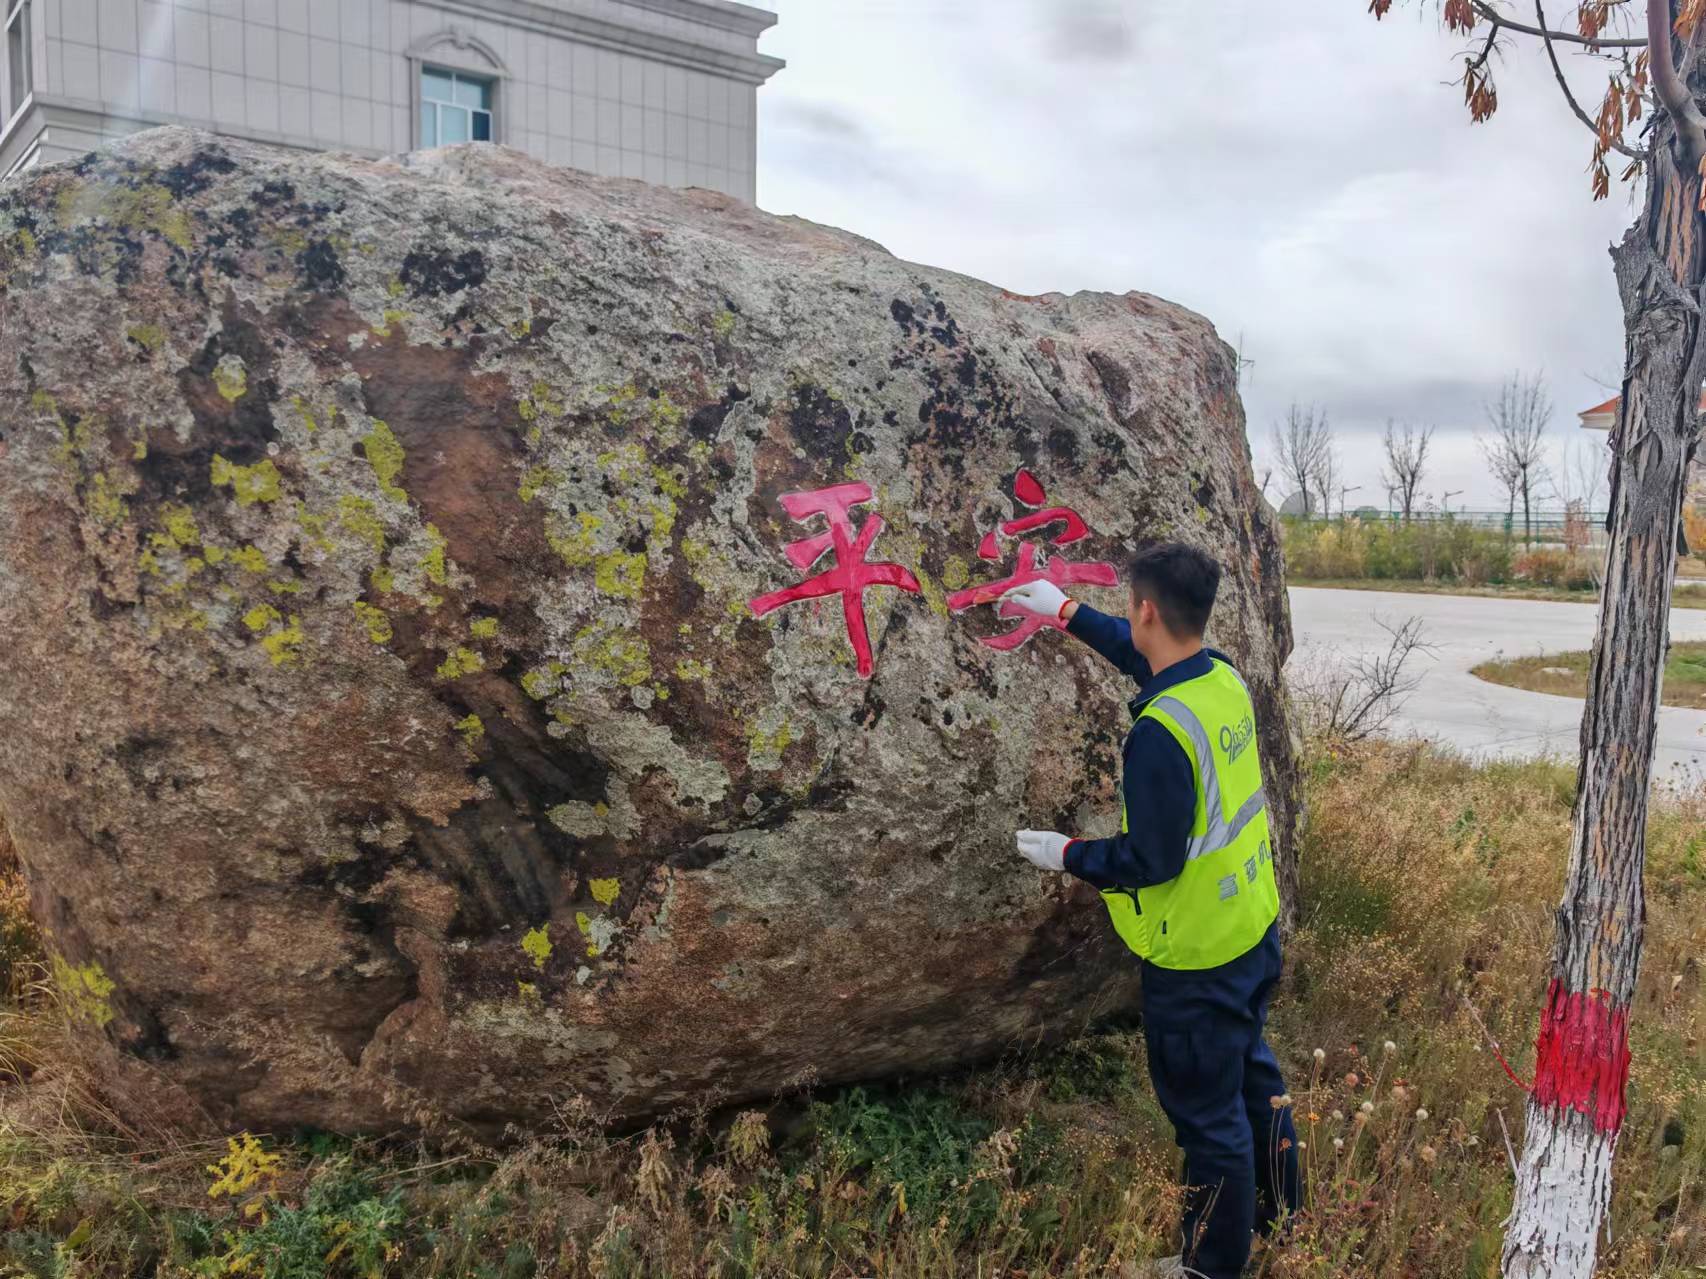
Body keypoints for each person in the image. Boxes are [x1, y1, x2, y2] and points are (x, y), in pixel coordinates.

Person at [999, 542, 1298, 1279]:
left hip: (1196, 958)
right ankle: (1283, 1210)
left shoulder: (1159, 737)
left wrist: (1067, 854)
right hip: (1251, 929)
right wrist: (1066, 612)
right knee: (1253, 1074)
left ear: (1147, 609)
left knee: (1208, 1118)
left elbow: (1149, 862)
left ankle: (1211, 1267)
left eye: (1130, 606)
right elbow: (1150, 664)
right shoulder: (1219, 678)